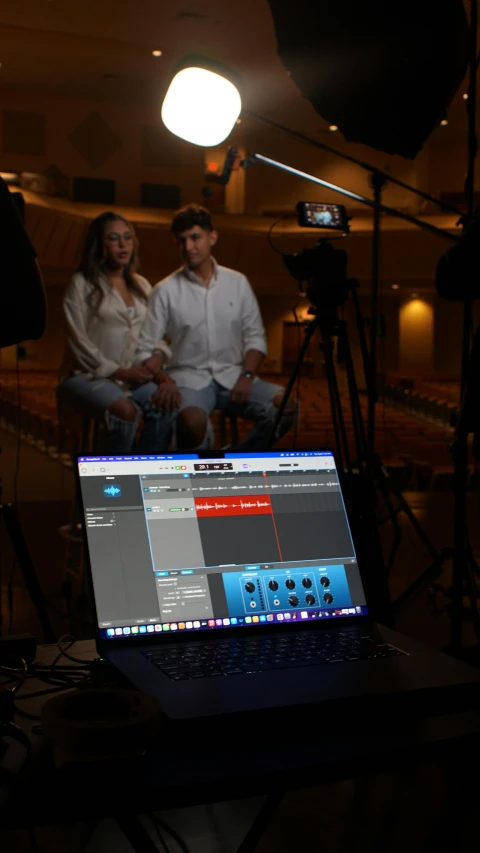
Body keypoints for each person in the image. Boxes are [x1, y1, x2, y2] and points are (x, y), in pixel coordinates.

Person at [135, 204, 296, 450]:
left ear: (213, 237)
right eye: (181, 241)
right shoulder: (164, 290)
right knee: (191, 423)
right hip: (188, 379)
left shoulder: (238, 282)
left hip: (235, 376)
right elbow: (144, 349)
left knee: (288, 407)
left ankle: (234, 459)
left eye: (195, 237)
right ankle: (204, 472)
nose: (189, 247)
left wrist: (248, 375)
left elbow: (255, 337)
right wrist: (164, 379)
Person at [57, 211, 173, 454]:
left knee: (166, 406)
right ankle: (108, 485)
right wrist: (118, 371)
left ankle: (146, 478)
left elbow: (158, 332)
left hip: (135, 376)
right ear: (99, 243)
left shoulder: (141, 284)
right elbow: (77, 340)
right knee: (125, 411)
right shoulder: (81, 283)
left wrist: (158, 355)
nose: (123, 244)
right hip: (88, 375)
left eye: (127, 237)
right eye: (113, 238)